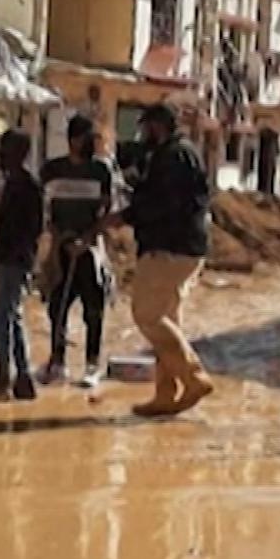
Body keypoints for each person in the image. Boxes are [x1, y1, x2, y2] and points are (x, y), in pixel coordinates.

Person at [81, 103, 213, 417]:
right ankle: (167, 393)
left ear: (157, 126)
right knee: (167, 320)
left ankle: (193, 377)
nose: (142, 135)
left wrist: (120, 218)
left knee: (146, 315)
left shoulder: (172, 157)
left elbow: (160, 204)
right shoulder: (178, 154)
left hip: (170, 247)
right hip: (184, 247)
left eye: (146, 128)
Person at [38, 115, 115, 388]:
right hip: (60, 247)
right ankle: (57, 361)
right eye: (86, 139)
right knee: (56, 306)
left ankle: (92, 364)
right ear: (73, 139)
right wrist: (61, 239)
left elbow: (106, 211)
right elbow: (45, 211)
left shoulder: (101, 171)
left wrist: (86, 239)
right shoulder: (52, 170)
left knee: (94, 307)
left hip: (90, 248)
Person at [0, 130, 43, 404]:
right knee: (11, 317)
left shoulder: (26, 186)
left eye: (5, 149)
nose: (0, 155)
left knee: (1, 319)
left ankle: (4, 377)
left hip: (15, 259)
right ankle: (22, 376)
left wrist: (9, 252)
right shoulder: (13, 183)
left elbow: (29, 228)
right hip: (9, 256)